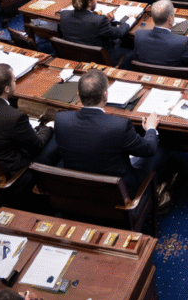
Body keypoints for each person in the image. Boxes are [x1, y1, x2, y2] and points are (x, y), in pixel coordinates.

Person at [53, 70, 170, 212]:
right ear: (105, 96)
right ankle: (157, 193)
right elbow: (149, 149)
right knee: (160, 150)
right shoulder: (119, 126)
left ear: (79, 96)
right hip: (120, 193)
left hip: (79, 188)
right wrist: (151, 129)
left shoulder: (61, 119)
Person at [0, 63, 59, 174]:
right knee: (58, 134)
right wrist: (48, 127)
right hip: (11, 172)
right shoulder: (14, 117)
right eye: (14, 80)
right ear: (7, 89)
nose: (15, 82)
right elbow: (37, 146)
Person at [60, 0, 133, 65]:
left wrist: (104, 19)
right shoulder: (99, 21)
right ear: (89, 2)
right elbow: (119, 33)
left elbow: (87, 22)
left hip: (75, 57)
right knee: (132, 53)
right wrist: (128, 22)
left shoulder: (63, 15)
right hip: (101, 60)